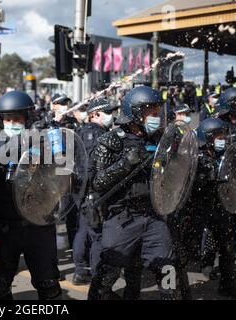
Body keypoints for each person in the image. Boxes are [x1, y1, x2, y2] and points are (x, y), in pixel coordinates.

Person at [87, 86, 178, 300]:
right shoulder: (111, 141)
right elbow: (97, 183)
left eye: (158, 112)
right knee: (107, 273)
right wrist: (125, 164)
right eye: (152, 113)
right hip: (122, 217)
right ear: (137, 112)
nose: (157, 117)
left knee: (168, 267)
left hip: (154, 215)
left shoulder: (158, 140)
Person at [0, 91, 62, 300]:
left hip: (38, 226)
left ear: (27, 119)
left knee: (49, 286)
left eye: (17, 119)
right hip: (5, 227)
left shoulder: (44, 142)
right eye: (7, 119)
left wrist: (47, 136)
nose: (11, 123)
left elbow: (63, 171)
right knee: (0, 285)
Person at [192, 118, 236, 299]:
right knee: (187, 249)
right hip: (200, 209)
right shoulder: (196, 157)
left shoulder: (227, 156)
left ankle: (228, 285)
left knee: (228, 248)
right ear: (207, 138)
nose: (223, 139)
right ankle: (183, 285)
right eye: (218, 136)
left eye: (224, 135)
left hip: (223, 207)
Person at [73, 98, 117, 285]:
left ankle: (81, 270)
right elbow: (93, 167)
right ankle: (94, 275)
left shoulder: (84, 131)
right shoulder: (94, 134)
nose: (111, 115)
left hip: (83, 191)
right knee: (96, 233)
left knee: (84, 228)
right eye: (107, 112)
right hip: (92, 191)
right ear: (95, 115)